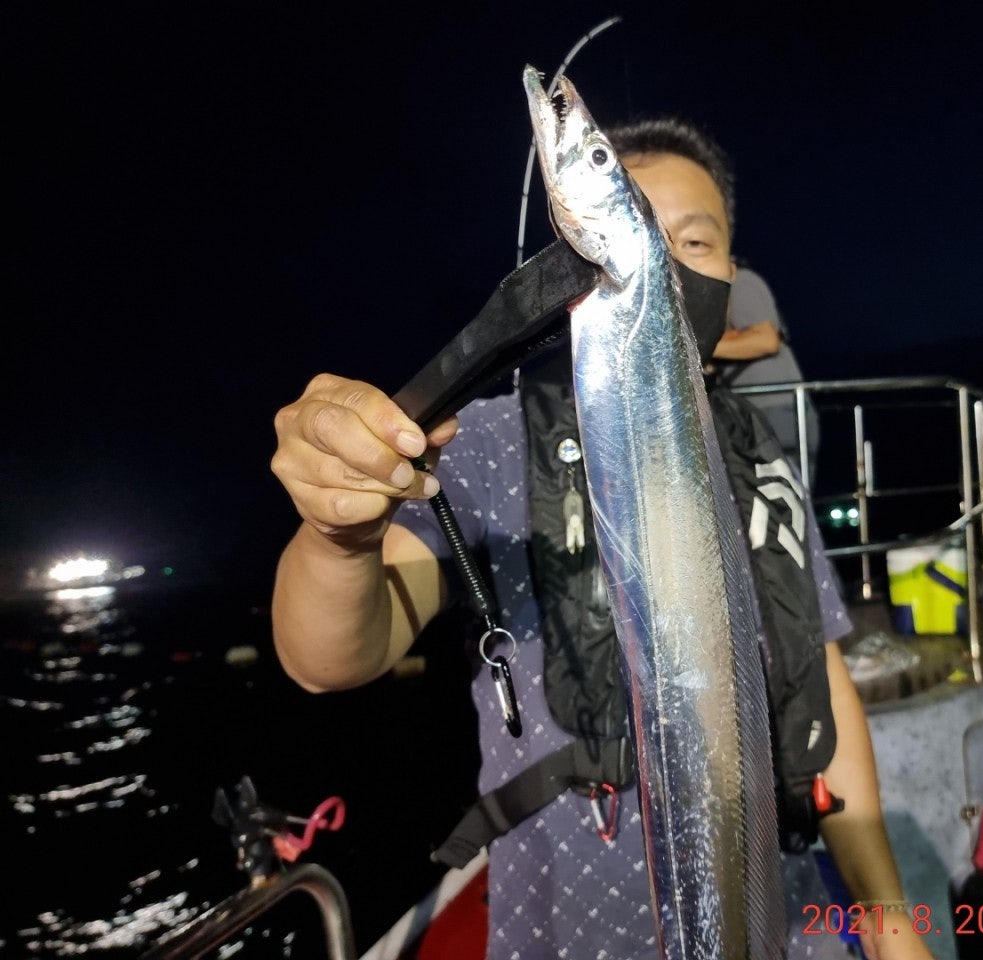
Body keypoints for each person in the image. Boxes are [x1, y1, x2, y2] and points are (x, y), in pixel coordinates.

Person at [270, 116, 934, 960]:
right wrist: (338, 535)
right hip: (567, 927)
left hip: (778, 909)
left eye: (695, 239)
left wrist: (886, 915)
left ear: (732, 274)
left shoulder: (757, 450)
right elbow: (328, 658)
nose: (667, 260)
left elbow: (823, 678)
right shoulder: (486, 443)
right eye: (645, 231)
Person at [714, 261, 822, 477]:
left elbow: (766, 340)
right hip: (749, 413)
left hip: (776, 409)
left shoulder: (740, 281)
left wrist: (696, 346)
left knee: (788, 490)